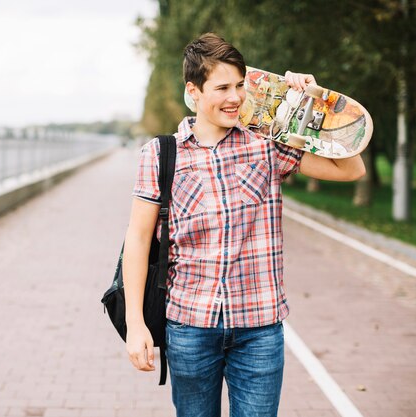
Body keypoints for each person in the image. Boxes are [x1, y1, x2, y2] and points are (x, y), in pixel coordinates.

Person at [122, 33, 365, 417]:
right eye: (222, 88)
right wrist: (136, 326)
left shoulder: (267, 145)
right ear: (194, 91)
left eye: (239, 85)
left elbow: (352, 168)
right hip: (189, 326)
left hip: (259, 330)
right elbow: (137, 240)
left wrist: (316, 102)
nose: (235, 97)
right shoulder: (160, 154)